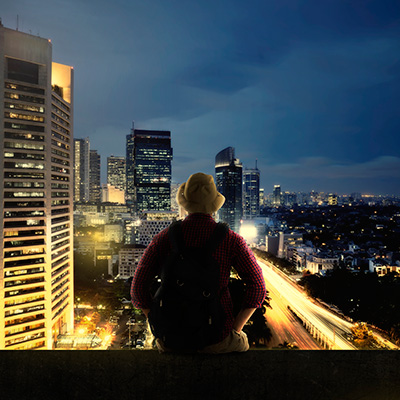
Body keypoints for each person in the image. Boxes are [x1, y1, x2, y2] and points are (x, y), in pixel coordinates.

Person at [131, 172, 267, 353]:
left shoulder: (164, 238)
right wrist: (234, 330)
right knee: (243, 342)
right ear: (214, 205)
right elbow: (258, 287)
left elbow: (137, 290)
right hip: (217, 339)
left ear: (185, 204)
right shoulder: (231, 240)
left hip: (171, 341)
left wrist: (158, 322)